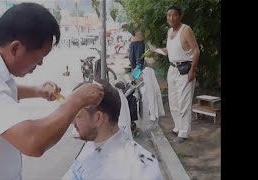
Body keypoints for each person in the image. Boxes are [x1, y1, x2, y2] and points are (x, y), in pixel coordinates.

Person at [0, 3, 104, 179]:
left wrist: (37, 91)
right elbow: (32, 142)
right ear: (15, 48)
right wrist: (76, 101)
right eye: (38, 57)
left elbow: (4, 91)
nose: (40, 64)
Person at [62, 79, 163, 180]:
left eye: (77, 115)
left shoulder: (141, 170)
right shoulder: (91, 144)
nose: (72, 122)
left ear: (98, 118)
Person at [150, 6, 200, 143]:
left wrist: (192, 70)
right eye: (169, 15)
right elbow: (169, 50)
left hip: (185, 70)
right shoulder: (170, 31)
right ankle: (177, 127)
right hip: (172, 70)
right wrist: (156, 50)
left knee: (184, 101)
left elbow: (196, 51)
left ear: (180, 17)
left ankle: (184, 132)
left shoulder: (186, 30)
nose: (171, 18)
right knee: (174, 101)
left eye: (174, 15)